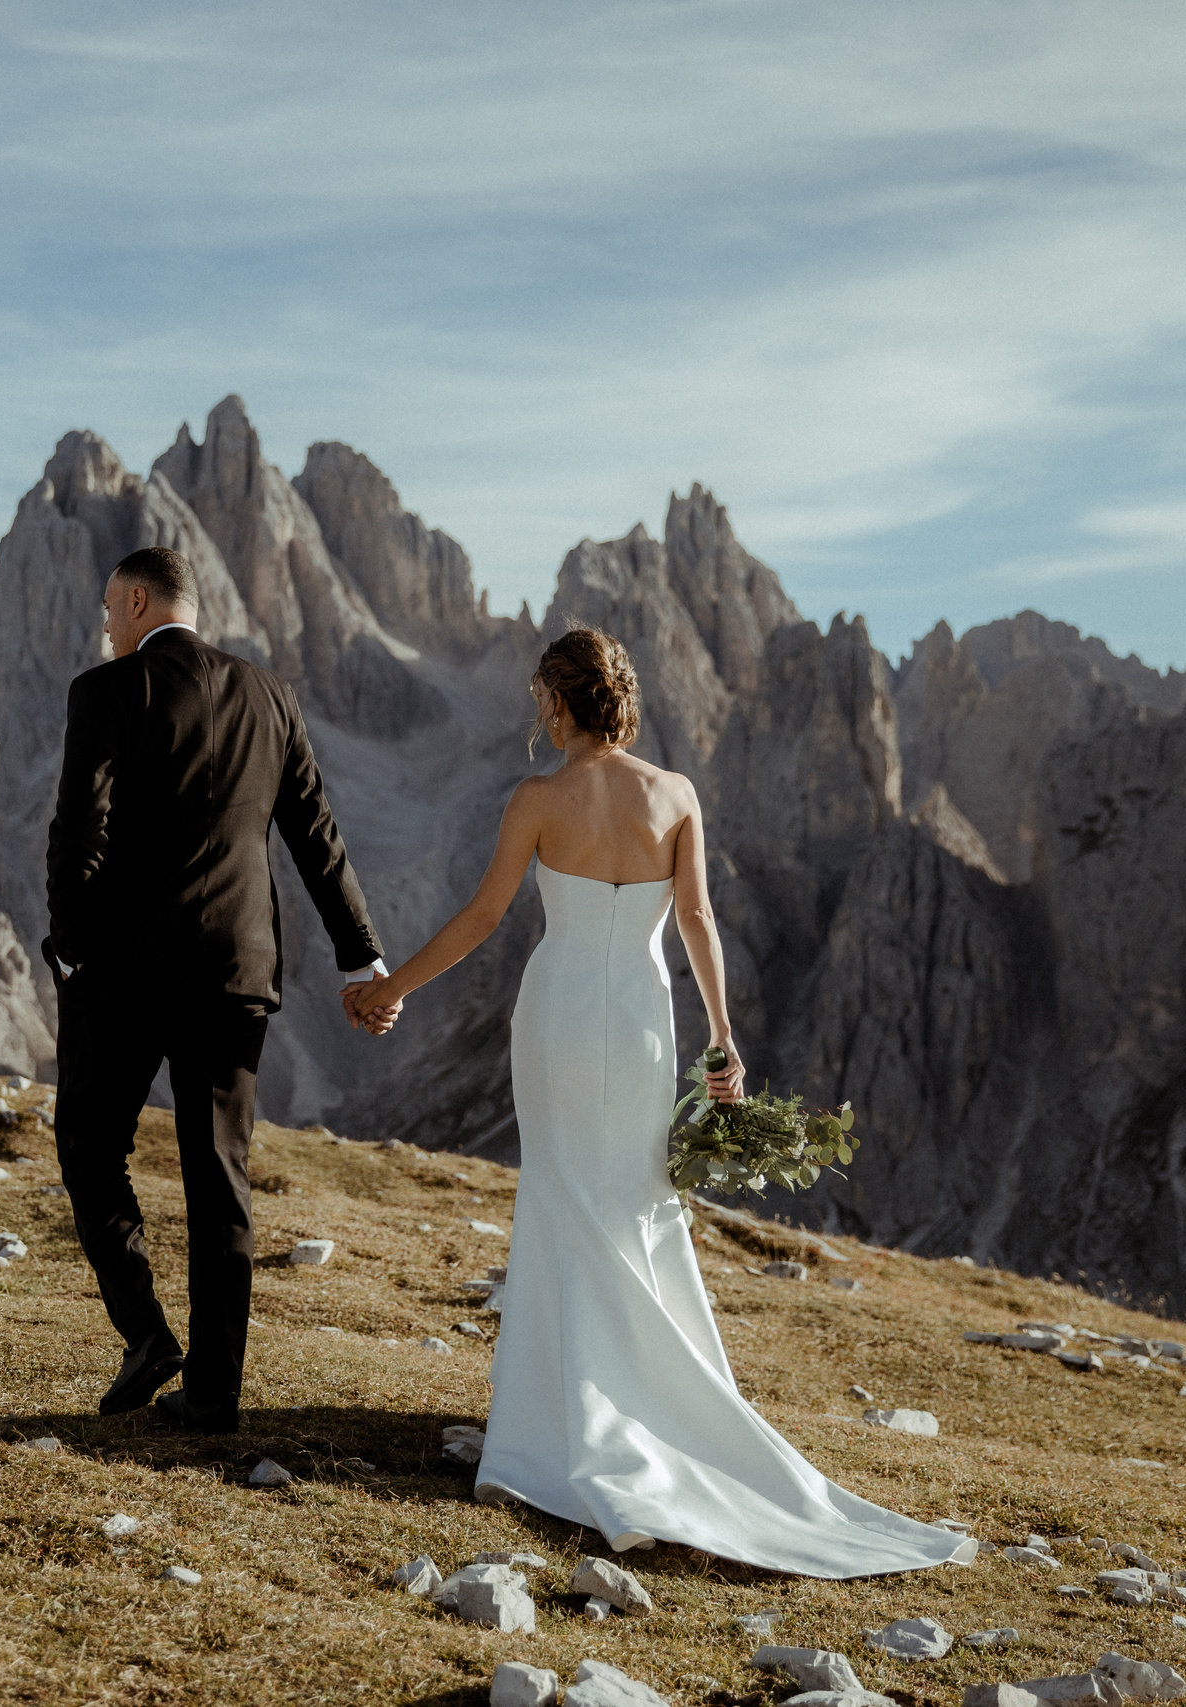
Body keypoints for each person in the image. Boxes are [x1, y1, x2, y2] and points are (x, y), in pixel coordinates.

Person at [346, 625, 971, 1578]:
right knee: (638, 1198)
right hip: (643, 1018)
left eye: (542, 697)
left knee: (561, 1191)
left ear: (561, 701)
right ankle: (648, 1401)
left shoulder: (537, 798)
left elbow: (484, 916)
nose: (538, 711)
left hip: (557, 1015)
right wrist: (723, 1035)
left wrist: (393, 987)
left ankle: (554, 1423)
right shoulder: (675, 795)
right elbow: (697, 918)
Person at [45, 545, 387, 1436]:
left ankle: (146, 1332)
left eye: (109, 608)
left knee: (89, 1142)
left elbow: (80, 830)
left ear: (137, 599)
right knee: (220, 1174)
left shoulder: (105, 691)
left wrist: (70, 948)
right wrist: (361, 957)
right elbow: (315, 834)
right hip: (236, 972)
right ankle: (213, 1396)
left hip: (125, 971)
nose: (104, 626)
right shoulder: (271, 696)